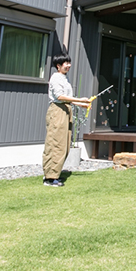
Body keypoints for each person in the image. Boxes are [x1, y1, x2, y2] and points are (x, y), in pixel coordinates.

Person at [42, 52, 90, 187]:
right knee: (55, 142)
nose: (69, 65)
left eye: (69, 63)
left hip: (65, 110)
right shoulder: (56, 77)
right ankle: (50, 178)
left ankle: (54, 174)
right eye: (66, 63)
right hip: (57, 110)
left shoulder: (64, 78)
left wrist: (81, 104)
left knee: (64, 143)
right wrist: (78, 100)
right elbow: (60, 96)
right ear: (58, 66)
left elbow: (67, 98)